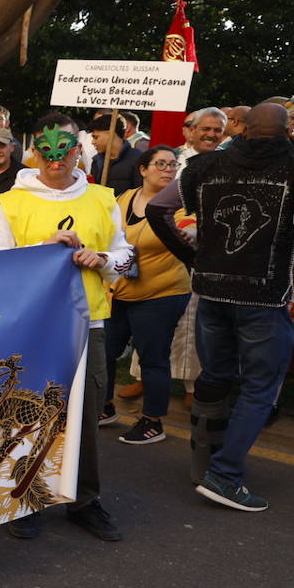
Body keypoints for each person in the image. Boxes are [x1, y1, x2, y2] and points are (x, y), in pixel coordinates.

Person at [146, 101, 294, 511]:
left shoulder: (205, 165)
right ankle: (225, 475)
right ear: (286, 132)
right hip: (263, 298)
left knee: (216, 374)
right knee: (260, 388)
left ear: (241, 131)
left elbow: (159, 209)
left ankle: (204, 462)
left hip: (211, 290)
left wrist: (189, 256)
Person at [0, 117, 133, 541]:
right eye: (46, 151)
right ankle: (25, 496)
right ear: (35, 154)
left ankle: (84, 500)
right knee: (30, 410)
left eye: (64, 150)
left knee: (85, 414)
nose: (55, 159)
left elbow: (126, 257)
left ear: (77, 151)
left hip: (90, 321)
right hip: (33, 326)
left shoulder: (103, 198)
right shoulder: (10, 202)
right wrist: (42, 250)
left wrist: (102, 259)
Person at [102, 148, 191, 445]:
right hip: (120, 291)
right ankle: (104, 407)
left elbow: (188, 232)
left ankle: (153, 422)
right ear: (143, 169)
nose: (167, 169)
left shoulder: (180, 205)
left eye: (172, 164)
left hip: (161, 292)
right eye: (160, 164)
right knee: (105, 352)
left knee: (153, 358)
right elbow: (109, 232)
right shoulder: (124, 198)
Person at [88, 114, 143, 196]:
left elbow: (140, 193)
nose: (93, 142)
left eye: (96, 137)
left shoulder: (138, 158)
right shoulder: (97, 161)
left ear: (111, 134)